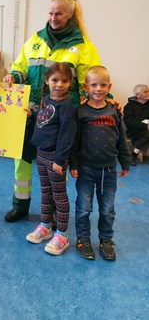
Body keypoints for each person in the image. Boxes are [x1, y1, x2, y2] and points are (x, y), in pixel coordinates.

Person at [3, 0, 101, 222]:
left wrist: (104, 102)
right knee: (22, 161)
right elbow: (20, 67)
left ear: (69, 15)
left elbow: (93, 81)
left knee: (58, 166)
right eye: (50, 13)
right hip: (30, 114)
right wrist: (14, 77)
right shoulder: (35, 39)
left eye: (58, 13)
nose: (53, 17)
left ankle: (57, 211)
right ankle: (20, 205)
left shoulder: (83, 46)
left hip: (60, 121)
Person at [70, 66, 130, 261]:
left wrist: (125, 162)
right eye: (94, 85)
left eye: (103, 85)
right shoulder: (80, 112)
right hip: (86, 169)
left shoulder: (115, 111)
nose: (98, 89)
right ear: (86, 87)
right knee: (84, 207)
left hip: (109, 170)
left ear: (109, 86)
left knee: (107, 209)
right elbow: (75, 140)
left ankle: (106, 240)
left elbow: (121, 138)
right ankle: (83, 239)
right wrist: (74, 164)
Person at [26, 63, 77, 255]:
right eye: (55, 80)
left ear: (70, 83)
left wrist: (60, 159)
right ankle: (45, 226)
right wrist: (32, 114)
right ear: (47, 81)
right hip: (41, 154)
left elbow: (67, 135)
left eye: (64, 81)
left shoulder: (67, 107)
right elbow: (45, 120)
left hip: (56, 158)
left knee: (59, 196)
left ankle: (62, 235)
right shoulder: (46, 99)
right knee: (46, 193)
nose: (59, 84)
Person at [124, 84, 149, 166]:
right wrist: (145, 126)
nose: (148, 93)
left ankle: (133, 155)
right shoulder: (129, 106)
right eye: (145, 92)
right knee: (147, 134)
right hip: (134, 131)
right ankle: (133, 156)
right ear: (137, 95)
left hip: (147, 129)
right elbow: (129, 122)